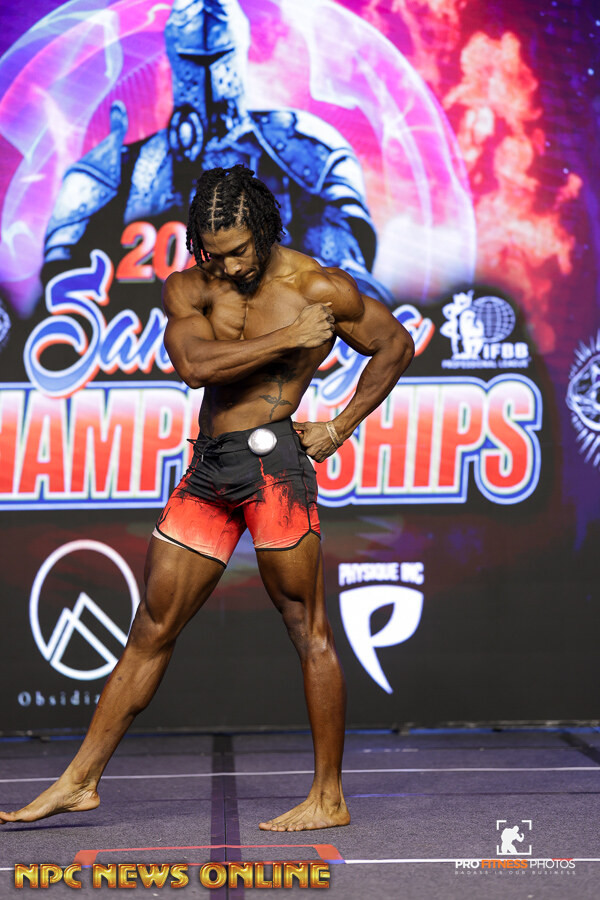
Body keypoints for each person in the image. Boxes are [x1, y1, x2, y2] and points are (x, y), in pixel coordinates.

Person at [0, 165, 414, 831]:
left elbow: (395, 344)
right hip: (210, 470)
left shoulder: (319, 286)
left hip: (275, 470)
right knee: (152, 626)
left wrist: (339, 425)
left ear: (264, 231)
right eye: (213, 253)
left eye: (239, 251)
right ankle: (79, 781)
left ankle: (328, 797)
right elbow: (194, 367)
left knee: (306, 629)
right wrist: (290, 339)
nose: (228, 266)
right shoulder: (189, 287)